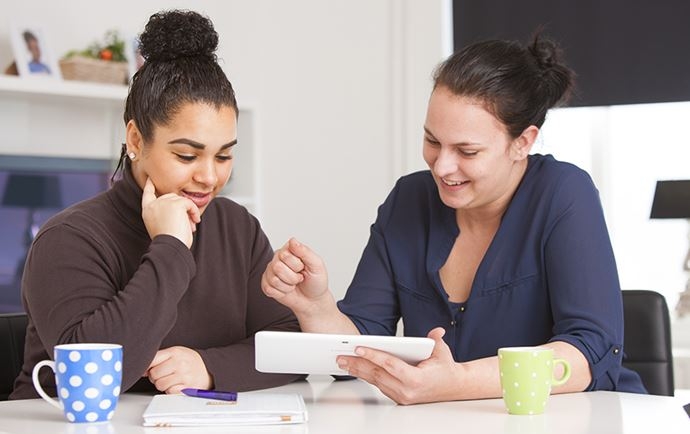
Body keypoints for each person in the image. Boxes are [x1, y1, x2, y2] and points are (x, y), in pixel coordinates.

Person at [261, 34, 647, 404]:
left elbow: (589, 351)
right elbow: (358, 355)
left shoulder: (563, 193)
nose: (442, 166)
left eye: (467, 151)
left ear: (523, 142)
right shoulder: (408, 201)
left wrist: (456, 382)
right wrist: (316, 307)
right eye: (432, 141)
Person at [10, 10, 303, 400]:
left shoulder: (237, 227)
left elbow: (290, 347)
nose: (209, 177)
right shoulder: (68, 238)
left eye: (223, 156)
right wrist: (171, 248)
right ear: (135, 140)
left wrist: (209, 368)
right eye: (187, 156)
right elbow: (94, 376)